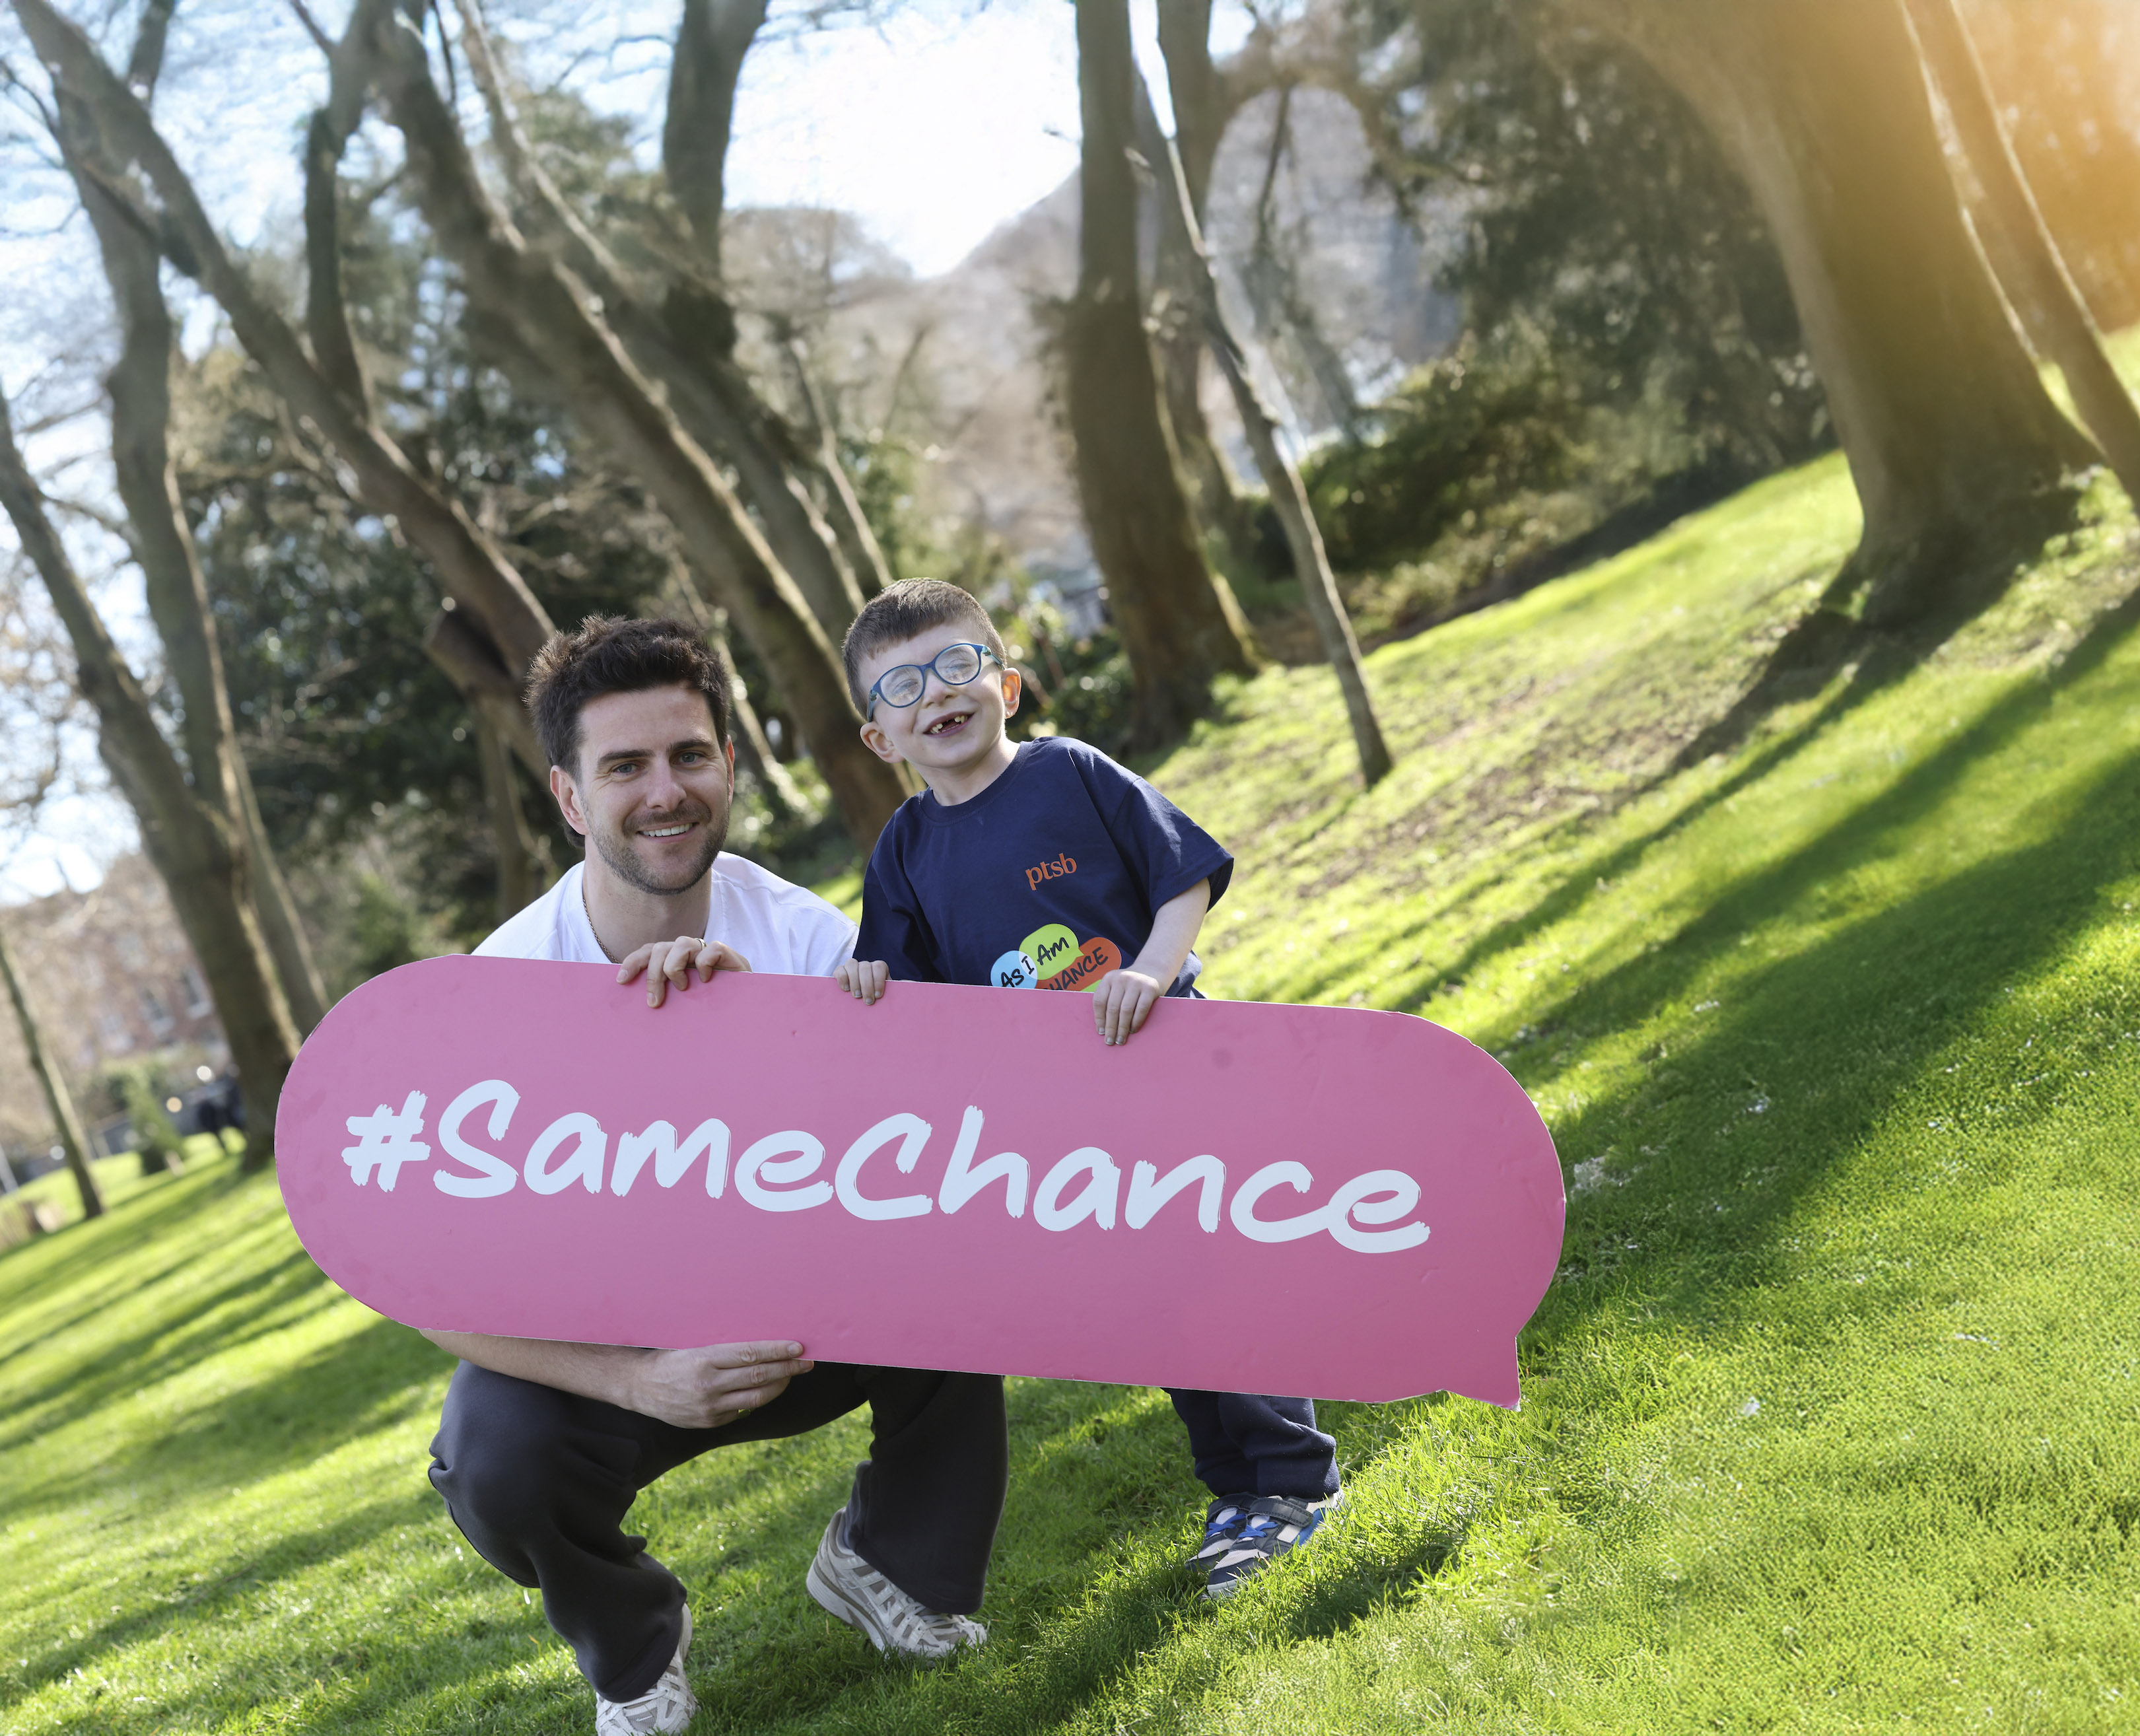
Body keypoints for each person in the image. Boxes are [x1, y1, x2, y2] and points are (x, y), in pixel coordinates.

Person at [431, 616, 1006, 1736]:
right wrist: (641, 1380)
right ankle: (635, 1650)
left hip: (802, 1319)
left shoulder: (806, 938)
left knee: (961, 1271)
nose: (666, 791)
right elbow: (433, 1292)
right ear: (568, 796)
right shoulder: (501, 989)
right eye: (625, 766)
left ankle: (891, 1560)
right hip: (617, 1349)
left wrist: (767, 1036)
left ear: (730, 765)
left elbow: (925, 1167)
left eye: (690, 754)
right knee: (489, 1461)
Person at [833, 579, 1342, 1600]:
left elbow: (1182, 874)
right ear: (880, 736)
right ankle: (1235, 1489)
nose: (938, 692)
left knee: (1218, 1270)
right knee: (1158, 1298)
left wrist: (1149, 972)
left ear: (1008, 685)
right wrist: (865, 981)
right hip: (1065, 1118)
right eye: (904, 684)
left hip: (1169, 1062)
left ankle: (1294, 1479)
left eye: (957, 665)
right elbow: (909, 997)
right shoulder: (905, 852)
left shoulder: (1070, 772)